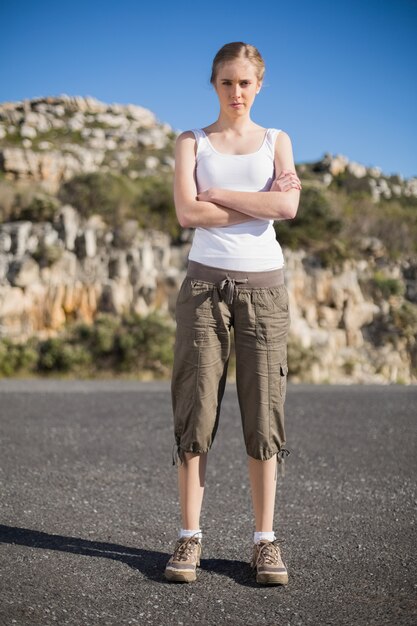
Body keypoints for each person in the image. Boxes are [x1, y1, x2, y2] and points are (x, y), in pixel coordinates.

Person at [164, 42, 301, 586]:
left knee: (264, 417)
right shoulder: (190, 142)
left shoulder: (277, 141)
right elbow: (185, 211)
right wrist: (255, 199)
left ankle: (264, 542)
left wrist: (217, 190)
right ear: (214, 84)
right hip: (202, 290)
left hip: (265, 293)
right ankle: (189, 537)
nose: (236, 92)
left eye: (245, 83)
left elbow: (287, 208)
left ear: (259, 85)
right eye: (226, 82)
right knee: (195, 414)